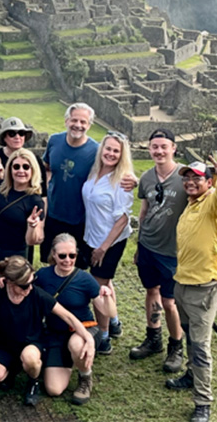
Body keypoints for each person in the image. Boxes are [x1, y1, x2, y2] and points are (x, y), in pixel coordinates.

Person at [165, 157, 217, 422]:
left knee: (201, 345)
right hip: (182, 282)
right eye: (187, 178)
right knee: (190, 338)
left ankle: (203, 402)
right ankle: (191, 375)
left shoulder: (213, 203)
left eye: (197, 178)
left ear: (208, 181)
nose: (190, 182)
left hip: (204, 286)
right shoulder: (191, 205)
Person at [0, 256, 95, 407]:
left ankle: (33, 382)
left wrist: (88, 338)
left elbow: (68, 316)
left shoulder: (37, 294)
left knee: (30, 358)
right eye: (24, 286)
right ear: (9, 282)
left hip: (31, 342)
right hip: (5, 344)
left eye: (32, 282)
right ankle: (13, 367)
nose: (29, 288)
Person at [35, 234, 117, 405]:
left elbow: (109, 312)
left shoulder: (84, 279)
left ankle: (85, 377)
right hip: (55, 333)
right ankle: (72, 360)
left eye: (72, 255)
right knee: (53, 389)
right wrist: (2, 279)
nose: (67, 260)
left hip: (85, 328)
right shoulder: (43, 275)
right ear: (54, 255)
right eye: (62, 256)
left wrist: (108, 297)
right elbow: (23, 285)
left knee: (76, 344)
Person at [131, 129, 187, 372]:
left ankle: (176, 346)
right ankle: (153, 338)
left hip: (172, 251)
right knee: (150, 291)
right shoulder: (146, 178)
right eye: (154, 147)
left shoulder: (184, 176)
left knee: (169, 301)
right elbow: (144, 210)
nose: (159, 151)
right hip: (148, 247)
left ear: (173, 148)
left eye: (164, 146)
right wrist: (139, 243)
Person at [80, 131, 134, 353]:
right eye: (108, 148)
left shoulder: (122, 180)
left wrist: (103, 248)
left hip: (110, 240)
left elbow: (123, 219)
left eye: (116, 151)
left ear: (122, 155)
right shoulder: (95, 172)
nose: (111, 154)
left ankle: (103, 337)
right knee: (105, 281)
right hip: (92, 236)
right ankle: (114, 322)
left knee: (98, 287)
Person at [0, 148, 45, 292]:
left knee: (10, 298)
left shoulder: (34, 200)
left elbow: (33, 240)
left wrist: (31, 226)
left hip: (14, 256)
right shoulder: (0, 187)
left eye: (26, 167)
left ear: (33, 170)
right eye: (16, 166)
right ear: (10, 169)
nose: (21, 171)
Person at [41, 103, 100, 264]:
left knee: (74, 265)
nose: (78, 125)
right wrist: (47, 190)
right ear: (67, 121)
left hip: (80, 218)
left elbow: (113, 173)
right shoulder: (54, 141)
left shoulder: (96, 151)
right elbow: (46, 167)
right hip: (53, 214)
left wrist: (131, 179)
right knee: (51, 261)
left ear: (89, 125)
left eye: (83, 122)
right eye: (74, 120)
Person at [0, 116, 47, 198]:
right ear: (4, 138)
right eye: (12, 134)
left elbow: (43, 192)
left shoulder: (34, 159)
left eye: (21, 133)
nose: (17, 137)